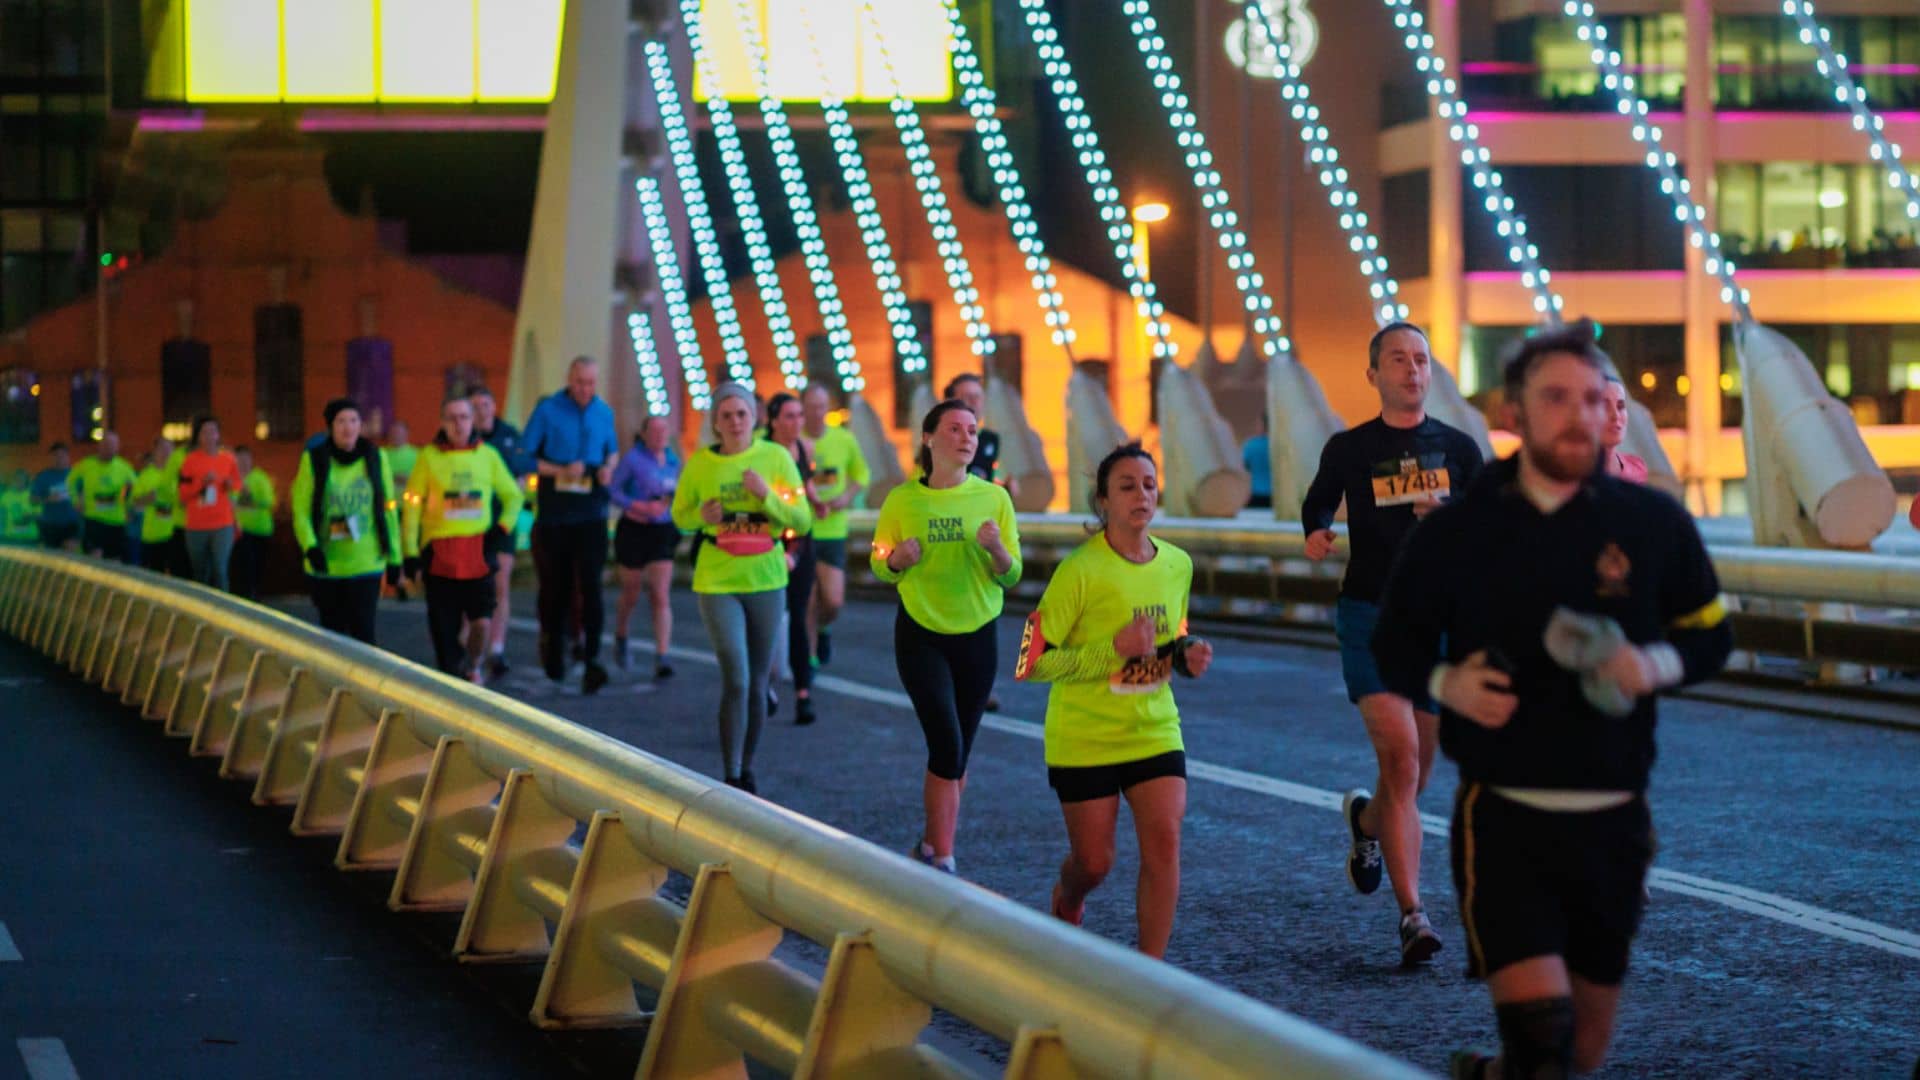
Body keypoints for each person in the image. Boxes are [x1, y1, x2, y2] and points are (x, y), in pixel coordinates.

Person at [1370, 325, 1731, 1079]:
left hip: (1615, 824)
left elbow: (1712, 635)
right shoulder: (1462, 530)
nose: (1579, 415)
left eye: (1594, 399)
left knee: (1583, 1055)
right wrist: (1446, 684)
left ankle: (1484, 1074)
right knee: (1544, 1051)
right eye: (1556, 398)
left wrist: (1653, 662)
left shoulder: (1652, 521)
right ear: (1516, 412)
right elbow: (1393, 643)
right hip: (1506, 823)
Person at [1302, 320, 1485, 966]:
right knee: (1402, 758)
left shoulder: (1460, 450)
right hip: (1369, 618)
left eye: (1421, 360)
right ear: (1373, 373)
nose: (1412, 369)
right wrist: (1317, 533)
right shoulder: (1350, 449)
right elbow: (1317, 504)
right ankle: (1414, 914)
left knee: (1414, 774)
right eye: (1398, 360)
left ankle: (1365, 824)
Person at [1016, 443, 1208, 958]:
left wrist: (1184, 653)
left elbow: (1169, 636)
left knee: (1165, 844)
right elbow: (1027, 663)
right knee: (1094, 863)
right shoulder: (1079, 571)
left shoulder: (1178, 565)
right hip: (1085, 737)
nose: (1140, 495)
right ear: (1103, 501)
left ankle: (1150, 976)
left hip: (1154, 726)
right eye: (1126, 486)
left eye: (1148, 485)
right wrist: (1111, 652)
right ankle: (1068, 896)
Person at [871, 398, 1021, 874]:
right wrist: (897, 560)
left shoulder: (995, 498)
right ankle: (944, 860)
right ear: (929, 438)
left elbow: (1011, 575)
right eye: (955, 429)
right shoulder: (902, 500)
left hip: (977, 636)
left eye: (972, 430)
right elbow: (880, 562)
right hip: (921, 633)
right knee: (947, 745)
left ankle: (932, 843)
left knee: (961, 749)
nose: (966, 437)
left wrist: (997, 548)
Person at [672, 382, 811, 793]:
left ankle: (746, 766)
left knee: (757, 681)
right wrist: (701, 514)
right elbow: (679, 517)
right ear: (715, 422)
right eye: (726, 415)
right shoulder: (701, 464)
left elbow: (801, 521)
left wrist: (766, 496)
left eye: (742, 414)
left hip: (766, 577)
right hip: (717, 579)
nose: (735, 422)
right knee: (736, 674)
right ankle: (731, 771)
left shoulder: (775, 457)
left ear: (755, 418)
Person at [402, 395, 524, 681]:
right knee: (445, 635)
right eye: (452, 418)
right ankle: (454, 680)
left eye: (464, 417)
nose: (459, 424)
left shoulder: (488, 455)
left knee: (481, 621)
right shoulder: (428, 457)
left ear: (473, 421)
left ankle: (473, 664)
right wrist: (409, 552)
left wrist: (501, 529)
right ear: (443, 423)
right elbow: (411, 505)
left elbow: (514, 496)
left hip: (478, 553)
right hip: (440, 557)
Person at [522, 357, 621, 694]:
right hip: (556, 512)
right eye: (579, 382)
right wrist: (558, 470)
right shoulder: (548, 409)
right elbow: (523, 457)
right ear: (569, 379)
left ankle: (593, 657)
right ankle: (555, 650)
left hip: (592, 511)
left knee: (592, 586)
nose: (585, 389)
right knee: (557, 587)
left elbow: (613, 452)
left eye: (591, 383)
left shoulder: (603, 412)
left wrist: (608, 467)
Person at [291, 398, 403, 644]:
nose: (348, 427)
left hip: (366, 562)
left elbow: (388, 508)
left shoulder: (375, 457)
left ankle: (365, 683)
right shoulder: (315, 459)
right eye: (341, 421)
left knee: (364, 632)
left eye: (353, 420)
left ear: (360, 426)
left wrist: (395, 557)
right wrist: (310, 547)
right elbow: (300, 509)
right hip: (327, 564)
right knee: (334, 636)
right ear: (330, 427)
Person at [609, 415, 682, 680]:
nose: (660, 435)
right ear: (644, 433)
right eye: (654, 430)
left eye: (664, 430)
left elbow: (678, 492)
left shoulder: (673, 461)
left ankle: (663, 655)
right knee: (632, 591)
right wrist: (638, 506)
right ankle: (622, 634)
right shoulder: (633, 460)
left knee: (660, 594)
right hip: (634, 530)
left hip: (662, 530)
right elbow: (614, 491)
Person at [802, 384, 868, 668]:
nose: (817, 413)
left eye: (821, 406)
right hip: (802, 530)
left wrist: (846, 497)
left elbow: (861, 474)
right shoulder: (793, 443)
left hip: (833, 530)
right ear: (802, 408)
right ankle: (810, 660)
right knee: (808, 599)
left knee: (833, 601)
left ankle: (824, 628)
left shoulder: (843, 439)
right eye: (811, 407)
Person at [765, 392, 820, 725]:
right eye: (789, 416)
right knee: (768, 617)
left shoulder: (804, 449)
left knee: (797, 614)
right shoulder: (762, 453)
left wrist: (819, 503)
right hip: (768, 540)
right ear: (773, 420)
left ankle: (803, 693)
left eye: (800, 415)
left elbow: (807, 488)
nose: (797, 422)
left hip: (800, 540)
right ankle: (767, 683)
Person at [471, 385, 533, 680]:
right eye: (475, 406)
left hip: (501, 523)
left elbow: (524, 466)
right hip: (469, 525)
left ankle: (496, 648)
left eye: (485, 405)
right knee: (468, 588)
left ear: (494, 406)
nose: (481, 411)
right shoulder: (463, 440)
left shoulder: (508, 434)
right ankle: (469, 647)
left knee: (499, 585)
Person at [177, 418, 242, 590]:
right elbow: (182, 494)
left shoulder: (228, 459)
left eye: (213, 431)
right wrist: (202, 485)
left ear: (218, 435)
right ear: (198, 437)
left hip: (222, 523)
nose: (209, 436)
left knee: (220, 569)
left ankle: (224, 609)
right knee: (200, 572)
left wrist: (229, 484)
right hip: (196, 525)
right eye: (204, 432)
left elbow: (237, 485)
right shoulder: (189, 461)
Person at [67, 432, 137, 562]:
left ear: (117, 448)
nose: (109, 448)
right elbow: (70, 481)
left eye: (113, 445)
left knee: (114, 561)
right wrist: (76, 501)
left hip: (116, 522)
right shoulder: (86, 464)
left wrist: (129, 506)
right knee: (94, 558)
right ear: (100, 446)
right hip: (94, 520)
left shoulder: (125, 467)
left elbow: (135, 490)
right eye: (106, 444)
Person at [229, 445, 277, 600]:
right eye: (239, 459)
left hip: (259, 531)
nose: (242, 463)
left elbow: (269, 502)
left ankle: (255, 597)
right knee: (241, 568)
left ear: (251, 460)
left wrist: (250, 498)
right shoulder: (231, 480)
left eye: (245, 459)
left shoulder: (260, 478)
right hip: (237, 531)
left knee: (256, 567)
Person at [129, 438, 178, 572]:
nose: (166, 453)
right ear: (155, 452)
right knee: (155, 577)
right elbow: (134, 502)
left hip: (176, 535)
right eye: (162, 449)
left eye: (169, 449)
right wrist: (148, 498)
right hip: (152, 536)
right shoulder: (146, 475)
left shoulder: (179, 474)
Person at [30, 443, 78, 551]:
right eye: (55, 456)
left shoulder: (76, 475)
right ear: (50, 458)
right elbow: (33, 500)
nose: (59, 459)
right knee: (52, 558)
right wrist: (48, 499)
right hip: (50, 524)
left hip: (71, 523)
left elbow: (85, 495)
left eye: (62, 456)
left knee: (70, 556)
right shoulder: (43, 476)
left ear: (68, 457)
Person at [1601, 377, 1648, 483]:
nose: (1615, 416)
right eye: (1604, 406)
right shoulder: (1571, 474)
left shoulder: (1637, 468)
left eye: (1620, 406)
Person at [1242, 414, 1273, 510]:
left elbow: (1244, 467)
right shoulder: (1280, 445)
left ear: (1262, 425)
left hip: (1255, 494)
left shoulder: (1250, 445)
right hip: (1277, 496)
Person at [1, 469, 37, 545]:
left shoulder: (33, 495)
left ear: (26, 481)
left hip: (29, 538)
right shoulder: (6, 495)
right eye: (16, 479)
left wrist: (31, 516)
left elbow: (42, 514)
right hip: (10, 537)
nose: (19, 481)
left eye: (21, 479)